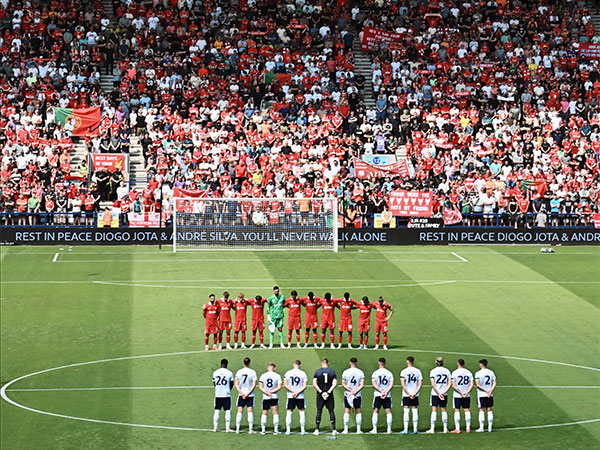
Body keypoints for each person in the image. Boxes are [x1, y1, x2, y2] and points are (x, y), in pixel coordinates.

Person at [312, 357, 338, 435]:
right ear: (328, 363)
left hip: (320, 395)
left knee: (319, 411)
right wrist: (328, 392)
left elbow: (314, 383)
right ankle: (334, 430)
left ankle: (317, 430)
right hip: (329, 395)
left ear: (321, 363)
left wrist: (321, 392)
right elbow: (335, 383)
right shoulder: (332, 372)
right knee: (331, 410)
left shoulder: (317, 372)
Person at [426, 357, 451, 434]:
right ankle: (445, 428)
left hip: (435, 394)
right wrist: (443, 393)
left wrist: (438, 393)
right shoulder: (447, 371)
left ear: (436, 362)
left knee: (434, 410)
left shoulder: (433, 371)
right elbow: (449, 383)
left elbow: (433, 384)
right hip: (444, 393)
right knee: (443, 410)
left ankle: (432, 429)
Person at [283, 359, 308, 435]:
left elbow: (285, 384)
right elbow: (305, 386)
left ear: (293, 364)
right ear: (300, 365)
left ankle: (288, 430)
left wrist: (293, 392)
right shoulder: (303, 373)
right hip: (300, 396)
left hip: (291, 395)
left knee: (289, 411)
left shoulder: (288, 373)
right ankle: (302, 430)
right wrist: (297, 392)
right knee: (301, 411)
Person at [341, 357, 365, 434]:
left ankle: (346, 429)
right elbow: (362, 385)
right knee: (358, 411)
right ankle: (358, 430)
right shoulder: (360, 372)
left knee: (347, 410)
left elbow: (343, 384)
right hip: (357, 394)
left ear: (350, 363)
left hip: (348, 394)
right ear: (356, 363)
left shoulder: (345, 372)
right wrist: (355, 391)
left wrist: (351, 391)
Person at [370, 357, 394, 434]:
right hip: (387, 395)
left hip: (378, 394)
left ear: (378, 363)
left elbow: (374, 384)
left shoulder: (375, 373)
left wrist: (381, 391)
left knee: (376, 410)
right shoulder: (389, 373)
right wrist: (386, 392)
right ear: (385, 363)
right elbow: (391, 384)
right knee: (388, 411)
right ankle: (389, 429)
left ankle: (375, 429)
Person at [400, 356, 423, 434]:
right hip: (415, 394)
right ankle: (415, 429)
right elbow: (420, 384)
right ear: (413, 362)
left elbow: (403, 384)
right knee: (415, 410)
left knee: (406, 411)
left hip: (406, 394)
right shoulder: (418, 371)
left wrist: (408, 393)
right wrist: (414, 393)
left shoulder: (403, 371)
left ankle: (406, 429)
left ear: (407, 362)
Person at [450, 359, 474, 433]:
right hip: (467, 395)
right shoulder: (469, 372)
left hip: (457, 395)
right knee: (467, 410)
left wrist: (461, 393)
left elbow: (453, 385)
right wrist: (466, 392)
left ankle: (457, 429)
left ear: (458, 363)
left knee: (457, 410)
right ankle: (468, 428)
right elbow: (471, 384)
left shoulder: (454, 373)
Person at [234, 357, 257, 434]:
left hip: (241, 395)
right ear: (249, 363)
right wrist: (248, 393)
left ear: (243, 363)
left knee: (240, 411)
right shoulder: (253, 372)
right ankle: (250, 430)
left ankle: (237, 429)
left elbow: (236, 384)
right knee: (250, 411)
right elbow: (254, 384)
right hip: (250, 395)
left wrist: (241, 393)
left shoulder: (239, 372)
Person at [259, 362, 282, 435]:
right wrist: (271, 392)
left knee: (264, 413)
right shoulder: (277, 376)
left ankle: (263, 430)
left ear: (267, 368)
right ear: (274, 368)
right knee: (275, 412)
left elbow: (260, 386)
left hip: (266, 397)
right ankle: (276, 430)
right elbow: (279, 387)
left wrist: (267, 392)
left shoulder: (263, 375)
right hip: (274, 396)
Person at [212, 358, 234, 432]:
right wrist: (227, 389)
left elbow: (214, 383)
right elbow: (231, 384)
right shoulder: (230, 373)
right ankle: (227, 428)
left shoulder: (215, 372)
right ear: (227, 364)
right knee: (227, 410)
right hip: (226, 394)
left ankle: (215, 427)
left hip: (218, 394)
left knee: (217, 410)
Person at [475, 359, 496, 432]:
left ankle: (481, 427)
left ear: (481, 364)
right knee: (489, 409)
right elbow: (494, 383)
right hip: (490, 394)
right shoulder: (491, 372)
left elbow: (477, 384)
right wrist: (490, 390)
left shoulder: (478, 373)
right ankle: (490, 427)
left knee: (481, 409)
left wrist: (486, 390)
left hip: (481, 394)